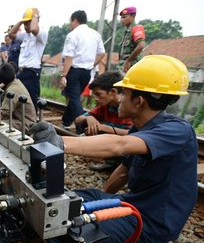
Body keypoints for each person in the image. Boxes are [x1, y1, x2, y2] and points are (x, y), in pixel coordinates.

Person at [31, 55, 197, 243]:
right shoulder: (141, 127)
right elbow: (123, 172)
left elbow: (119, 145)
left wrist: (60, 142)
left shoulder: (178, 129)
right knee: (61, 203)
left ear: (139, 101)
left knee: (70, 232)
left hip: (152, 222)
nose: (119, 97)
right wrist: (103, 203)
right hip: (131, 203)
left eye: (124, 93)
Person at [74, 70, 133, 172]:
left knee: (101, 128)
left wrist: (105, 128)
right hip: (117, 144)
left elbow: (137, 135)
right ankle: (111, 164)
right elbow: (78, 120)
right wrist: (89, 118)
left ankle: (126, 167)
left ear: (113, 92)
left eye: (98, 94)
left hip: (130, 147)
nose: (96, 98)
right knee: (86, 124)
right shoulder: (105, 106)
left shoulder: (130, 107)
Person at [60, 10, 106, 130]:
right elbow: (102, 53)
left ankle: (82, 128)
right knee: (75, 98)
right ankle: (65, 122)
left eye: (71, 21)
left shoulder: (73, 34)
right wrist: (92, 64)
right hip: (87, 73)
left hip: (74, 71)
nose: (70, 24)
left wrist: (63, 75)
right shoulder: (95, 34)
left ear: (75, 20)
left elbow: (69, 57)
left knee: (75, 99)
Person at [8, 8, 48, 110]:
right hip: (21, 72)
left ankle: (31, 122)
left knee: (31, 100)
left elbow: (34, 29)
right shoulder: (26, 36)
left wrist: (35, 16)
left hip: (31, 73)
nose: (26, 26)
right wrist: (21, 21)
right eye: (25, 24)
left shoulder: (42, 34)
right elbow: (11, 34)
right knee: (20, 99)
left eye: (27, 23)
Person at [0, 63, 37, 133]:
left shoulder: (11, 91)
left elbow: (5, 113)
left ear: (1, 79)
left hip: (26, 125)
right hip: (29, 121)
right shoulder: (17, 82)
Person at [119, 7, 146, 73]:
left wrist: (129, 61)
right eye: (121, 17)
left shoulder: (136, 28)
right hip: (123, 64)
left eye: (124, 17)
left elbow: (141, 46)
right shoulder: (127, 31)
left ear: (133, 16)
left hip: (131, 65)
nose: (122, 20)